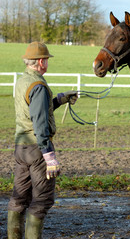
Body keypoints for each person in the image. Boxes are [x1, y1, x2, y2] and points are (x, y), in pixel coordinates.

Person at [7, 41, 78, 238]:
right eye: (46, 60)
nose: (47, 63)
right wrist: (49, 155)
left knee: (19, 198)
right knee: (41, 201)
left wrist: (59, 100)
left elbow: (36, 112)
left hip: (21, 147)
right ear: (40, 62)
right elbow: (39, 123)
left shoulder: (23, 81)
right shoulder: (38, 85)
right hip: (37, 150)